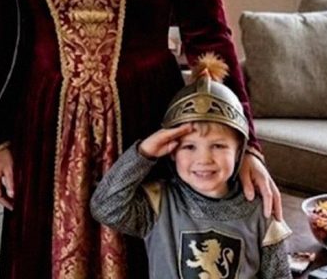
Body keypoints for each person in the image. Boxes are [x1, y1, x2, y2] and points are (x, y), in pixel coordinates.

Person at [0, 0, 283, 277]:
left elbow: (209, 41)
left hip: (142, 120)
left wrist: (246, 145)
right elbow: (14, 40)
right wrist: (1, 140)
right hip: (46, 130)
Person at [90, 55, 292, 278]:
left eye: (218, 145)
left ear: (239, 152)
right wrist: (144, 153)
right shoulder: (158, 204)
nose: (204, 159)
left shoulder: (260, 212)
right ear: (172, 151)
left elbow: (279, 275)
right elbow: (105, 207)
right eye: (189, 147)